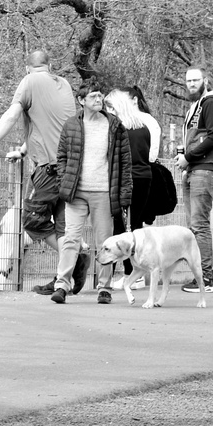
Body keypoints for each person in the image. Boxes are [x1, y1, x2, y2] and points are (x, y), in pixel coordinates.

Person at [0, 49, 80, 292]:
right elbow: (50, 126)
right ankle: (65, 275)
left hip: (48, 169)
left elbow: (12, 115)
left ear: (26, 68)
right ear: (50, 66)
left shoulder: (29, 81)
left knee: (31, 220)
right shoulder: (64, 84)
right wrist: (22, 151)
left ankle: (75, 259)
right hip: (70, 168)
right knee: (62, 227)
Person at [51, 83, 133, 303]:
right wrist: (64, 183)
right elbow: (62, 158)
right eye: (94, 96)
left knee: (105, 241)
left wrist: (124, 194)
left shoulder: (115, 125)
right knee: (71, 239)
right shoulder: (71, 126)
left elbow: (125, 162)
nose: (99, 99)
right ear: (82, 100)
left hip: (104, 193)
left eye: (100, 95)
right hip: (76, 193)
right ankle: (62, 286)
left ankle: (104, 288)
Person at [175, 66, 213, 294]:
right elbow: (196, 137)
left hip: (205, 169)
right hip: (195, 168)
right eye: (188, 81)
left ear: (205, 80)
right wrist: (185, 159)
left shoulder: (211, 103)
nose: (192, 84)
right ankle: (201, 276)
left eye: (196, 80)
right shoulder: (195, 106)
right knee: (194, 226)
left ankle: (207, 278)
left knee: (199, 225)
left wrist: (188, 157)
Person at [105, 86, 161, 290]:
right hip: (145, 179)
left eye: (110, 108)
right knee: (135, 227)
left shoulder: (120, 130)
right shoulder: (143, 127)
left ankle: (129, 274)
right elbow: (149, 156)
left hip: (128, 181)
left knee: (122, 228)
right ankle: (133, 273)